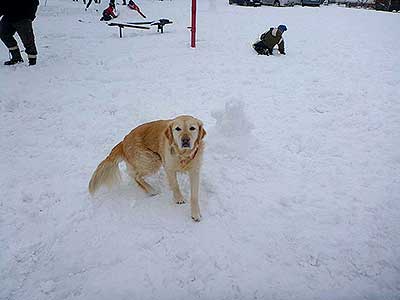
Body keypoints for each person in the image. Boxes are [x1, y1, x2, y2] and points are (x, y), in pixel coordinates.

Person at [0, 0, 39, 65]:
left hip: (23, 17)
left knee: (27, 40)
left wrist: (31, 16)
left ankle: (32, 60)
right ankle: (16, 58)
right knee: (4, 35)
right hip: (8, 16)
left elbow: (34, 2)